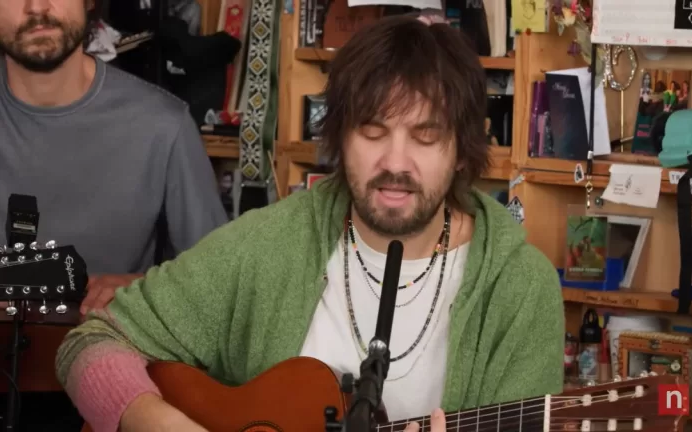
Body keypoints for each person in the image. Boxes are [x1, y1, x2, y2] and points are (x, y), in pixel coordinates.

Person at [55, 15, 565, 432]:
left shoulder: (518, 289)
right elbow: (92, 341)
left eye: (425, 137)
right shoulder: (271, 243)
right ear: (340, 139)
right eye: (372, 131)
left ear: (460, 151)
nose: (396, 162)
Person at [0, 0, 227, 429]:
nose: (37, 8)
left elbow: (219, 290)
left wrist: (148, 287)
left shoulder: (163, 125)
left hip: (116, 399)